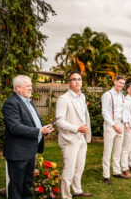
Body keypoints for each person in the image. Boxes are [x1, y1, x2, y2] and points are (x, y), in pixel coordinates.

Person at [2, 75, 53, 199]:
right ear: (18, 88)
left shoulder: (28, 101)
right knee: (16, 187)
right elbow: (15, 127)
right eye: (28, 86)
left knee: (27, 186)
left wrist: (43, 130)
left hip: (30, 151)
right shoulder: (11, 103)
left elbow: (33, 122)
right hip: (18, 153)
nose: (31, 88)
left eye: (31, 85)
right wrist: (39, 130)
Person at [55, 71, 92, 199]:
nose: (77, 81)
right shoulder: (63, 99)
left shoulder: (82, 97)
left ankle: (77, 190)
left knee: (79, 167)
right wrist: (77, 128)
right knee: (69, 169)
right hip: (69, 139)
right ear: (69, 82)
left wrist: (83, 131)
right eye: (74, 79)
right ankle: (66, 195)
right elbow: (59, 121)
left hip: (81, 138)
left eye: (79, 79)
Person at [102, 75, 129, 185]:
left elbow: (123, 111)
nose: (121, 85)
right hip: (110, 126)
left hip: (120, 125)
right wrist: (113, 125)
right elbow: (104, 112)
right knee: (108, 151)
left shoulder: (122, 96)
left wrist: (126, 122)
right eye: (120, 82)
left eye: (123, 84)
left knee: (118, 150)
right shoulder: (107, 95)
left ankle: (117, 172)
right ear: (115, 81)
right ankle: (106, 175)